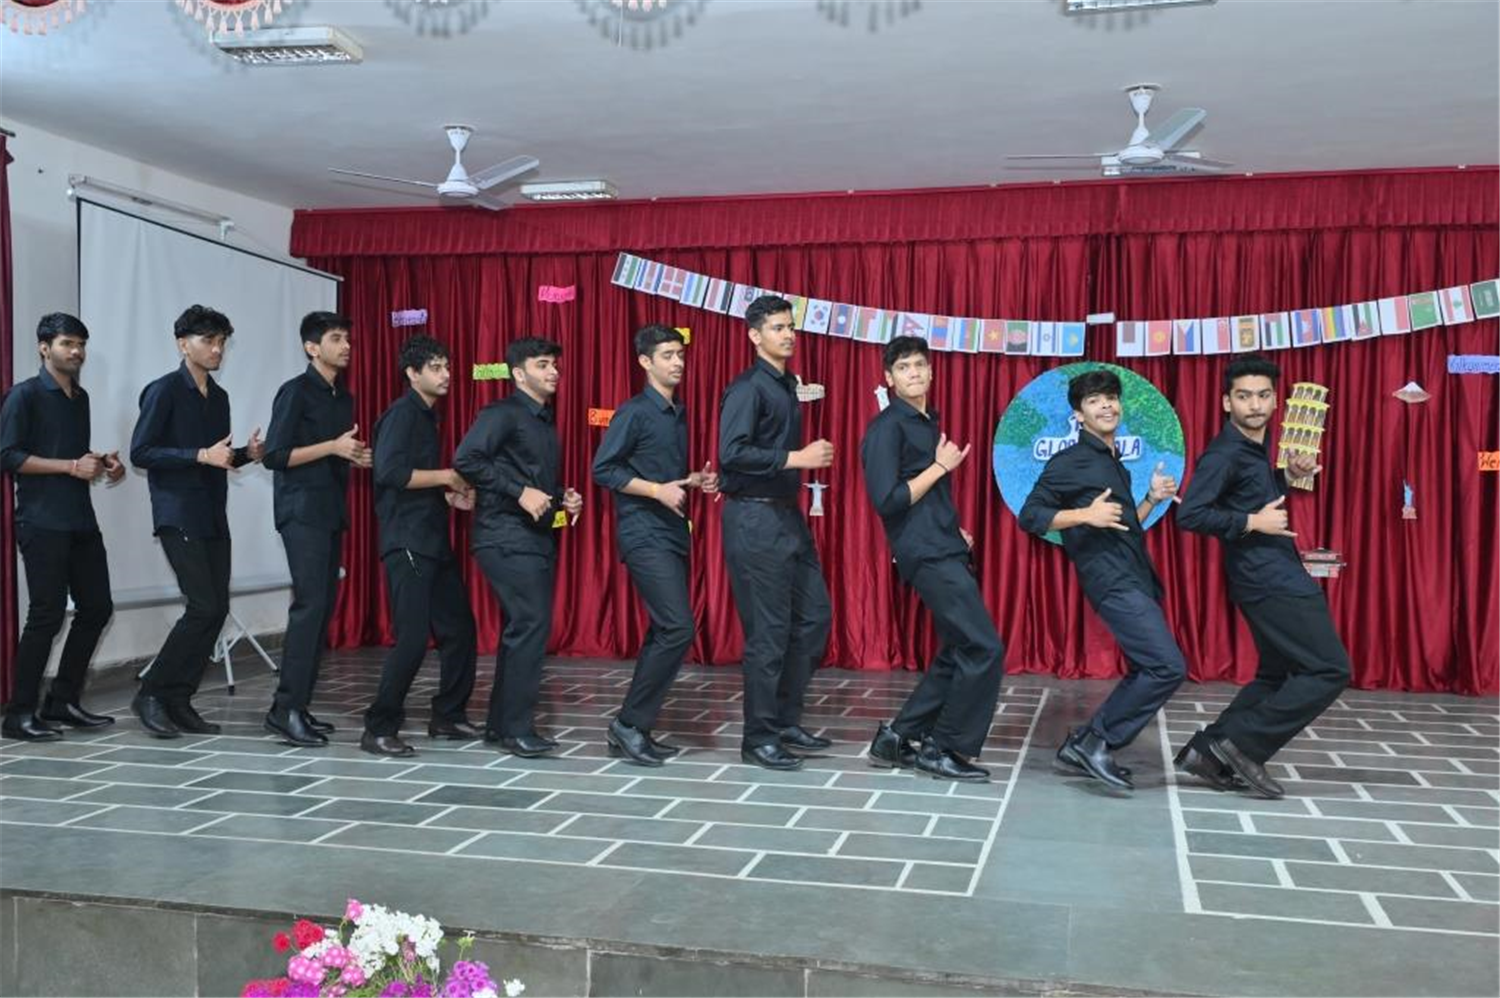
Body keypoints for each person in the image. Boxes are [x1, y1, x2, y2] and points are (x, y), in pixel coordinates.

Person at [1173, 354, 1350, 800]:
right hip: (1269, 578)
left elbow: (1248, 495)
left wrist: (1285, 476)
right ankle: (1244, 747)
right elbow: (1190, 514)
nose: (1254, 405)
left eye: (1263, 395)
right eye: (1244, 396)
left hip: (1267, 572)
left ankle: (1207, 754)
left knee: (1278, 673)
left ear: (1275, 401)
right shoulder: (1224, 453)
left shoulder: (1254, 449)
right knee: (1329, 669)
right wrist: (1251, 522)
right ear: (1226, 402)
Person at [1018, 369, 1188, 792]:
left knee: (1150, 666)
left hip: (1134, 575)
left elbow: (1126, 526)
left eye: (1111, 397)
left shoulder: (1117, 467)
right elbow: (1031, 515)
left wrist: (1150, 499)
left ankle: (1084, 743)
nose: (1106, 405)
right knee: (1167, 666)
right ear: (1079, 414)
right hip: (1110, 580)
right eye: (1094, 401)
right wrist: (1084, 515)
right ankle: (1095, 742)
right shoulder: (1069, 461)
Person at [861, 336, 1004, 781]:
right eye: (904, 367)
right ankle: (942, 747)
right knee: (983, 647)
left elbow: (928, 497)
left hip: (943, 544)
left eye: (920, 365)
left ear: (932, 371)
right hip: (924, 552)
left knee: (958, 649)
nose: (914, 373)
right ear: (889, 378)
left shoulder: (927, 422)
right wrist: (940, 467)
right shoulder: (887, 428)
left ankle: (898, 737)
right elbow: (887, 500)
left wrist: (951, 527)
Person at [129, 305, 264, 738]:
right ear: (182, 344)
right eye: (209, 340)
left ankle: (179, 698)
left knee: (216, 608)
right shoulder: (163, 391)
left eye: (222, 341)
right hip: (178, 512)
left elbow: (217, 457)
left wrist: (246, 455)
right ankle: (151, 693)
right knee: (203, 605)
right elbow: (141, 452)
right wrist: (200, 454)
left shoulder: (219, 398)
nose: (217, 349)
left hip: (213, 513)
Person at [591, 324, 718, 767]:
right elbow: (603, 469)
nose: (677, 362)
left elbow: (662, 475)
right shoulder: (635, 412)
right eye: (667, 355)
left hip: (671, 531)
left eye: (680, 354)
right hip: (643, 532)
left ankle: (634, 727)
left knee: (666, 629)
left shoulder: (675, 412)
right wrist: (656, 491)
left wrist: (692, 481)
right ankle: (628, 724)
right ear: (645, 362)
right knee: (678, 627)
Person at [717, 295, 834, 772]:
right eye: (777, 328)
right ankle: (759, 738)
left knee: (814, 619)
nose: (788, 335)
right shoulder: (748, 388)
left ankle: (785, 721)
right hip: (753, 517)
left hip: (786, 517)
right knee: (768, 634)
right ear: (754, 335)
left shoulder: (786, 385)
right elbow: (731, 453)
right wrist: (796, 458)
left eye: (790, 327)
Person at [454, 337, 582, 758]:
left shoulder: (543, 420)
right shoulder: (502, 413)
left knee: (521, 629)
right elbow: (467, 459)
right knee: (530, 624)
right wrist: (520, 491)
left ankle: (501, 725)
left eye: (554, 364)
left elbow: (533, 483)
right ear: (518, 373)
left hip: (533, 537)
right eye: (542, 364)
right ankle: (517, 729)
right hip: (504, 536)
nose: (553, 371)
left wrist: (562, 498)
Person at [0, 313, 123, 740]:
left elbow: (68, 452)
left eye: (81, 344)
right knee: (46, 615)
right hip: (41, 520)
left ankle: (62, 701)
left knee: (98, 607)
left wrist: (101, 462)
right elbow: (9, 456)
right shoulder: (24, 395)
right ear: (44, 347)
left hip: (80, 519)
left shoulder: (79, 397)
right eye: (68, 343)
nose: (76, 351)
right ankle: (19, 713)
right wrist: (71, 466)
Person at [361, 335, 480, 757]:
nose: (446, 374)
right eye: (435, 367)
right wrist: (447, 477)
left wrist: (446, 496)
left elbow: (414, 482)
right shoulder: (402, 415)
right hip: (407, 541)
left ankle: (447, 715)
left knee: (459, 630)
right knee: (412, 639)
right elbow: (390, 473)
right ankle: (378, 728)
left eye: (447, 366)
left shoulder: (428, 416)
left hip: (432, 538)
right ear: (413, 373)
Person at [261, 312, 368, 748]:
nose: (346, 346)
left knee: (322, 610)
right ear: (311, 347)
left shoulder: (342, 398)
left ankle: (297, 705)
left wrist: (354, 455)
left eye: (347, 339)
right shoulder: (295, 391)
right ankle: (284, 709)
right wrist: (333, 447)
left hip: (329, 511)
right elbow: (275, 455)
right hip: (301, 511)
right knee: (309, 607)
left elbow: (333, 454)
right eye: (336, 339)